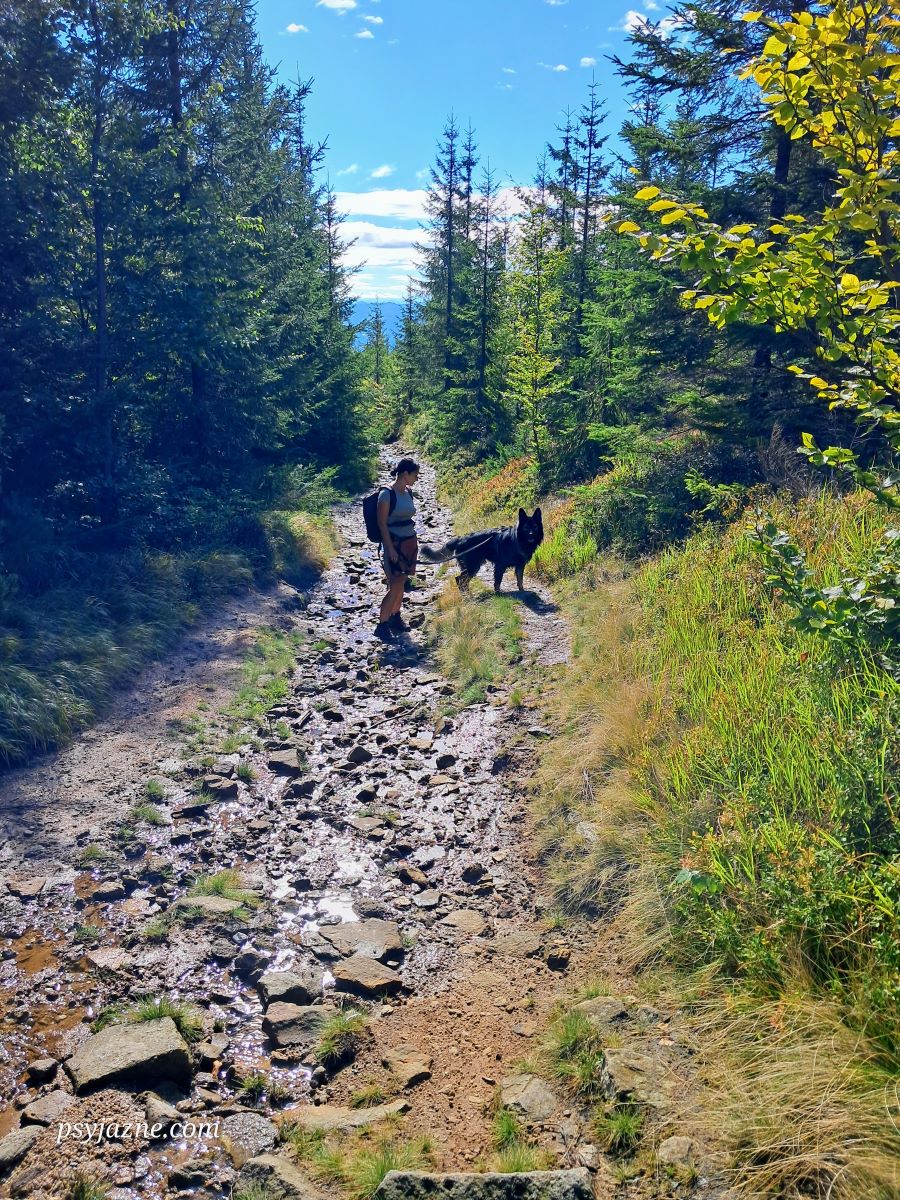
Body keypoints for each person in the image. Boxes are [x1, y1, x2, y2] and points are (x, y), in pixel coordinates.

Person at [374, 458, 420, 643]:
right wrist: (390, 549)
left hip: (408, 544)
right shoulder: (386, 495)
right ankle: (382, 625)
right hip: (394, 545)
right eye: (415, 475)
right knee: (394, 584)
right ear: (405, 474)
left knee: (401, 582)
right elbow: (382, 524)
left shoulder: (408, 492)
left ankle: (395, 616)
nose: (416, 479)